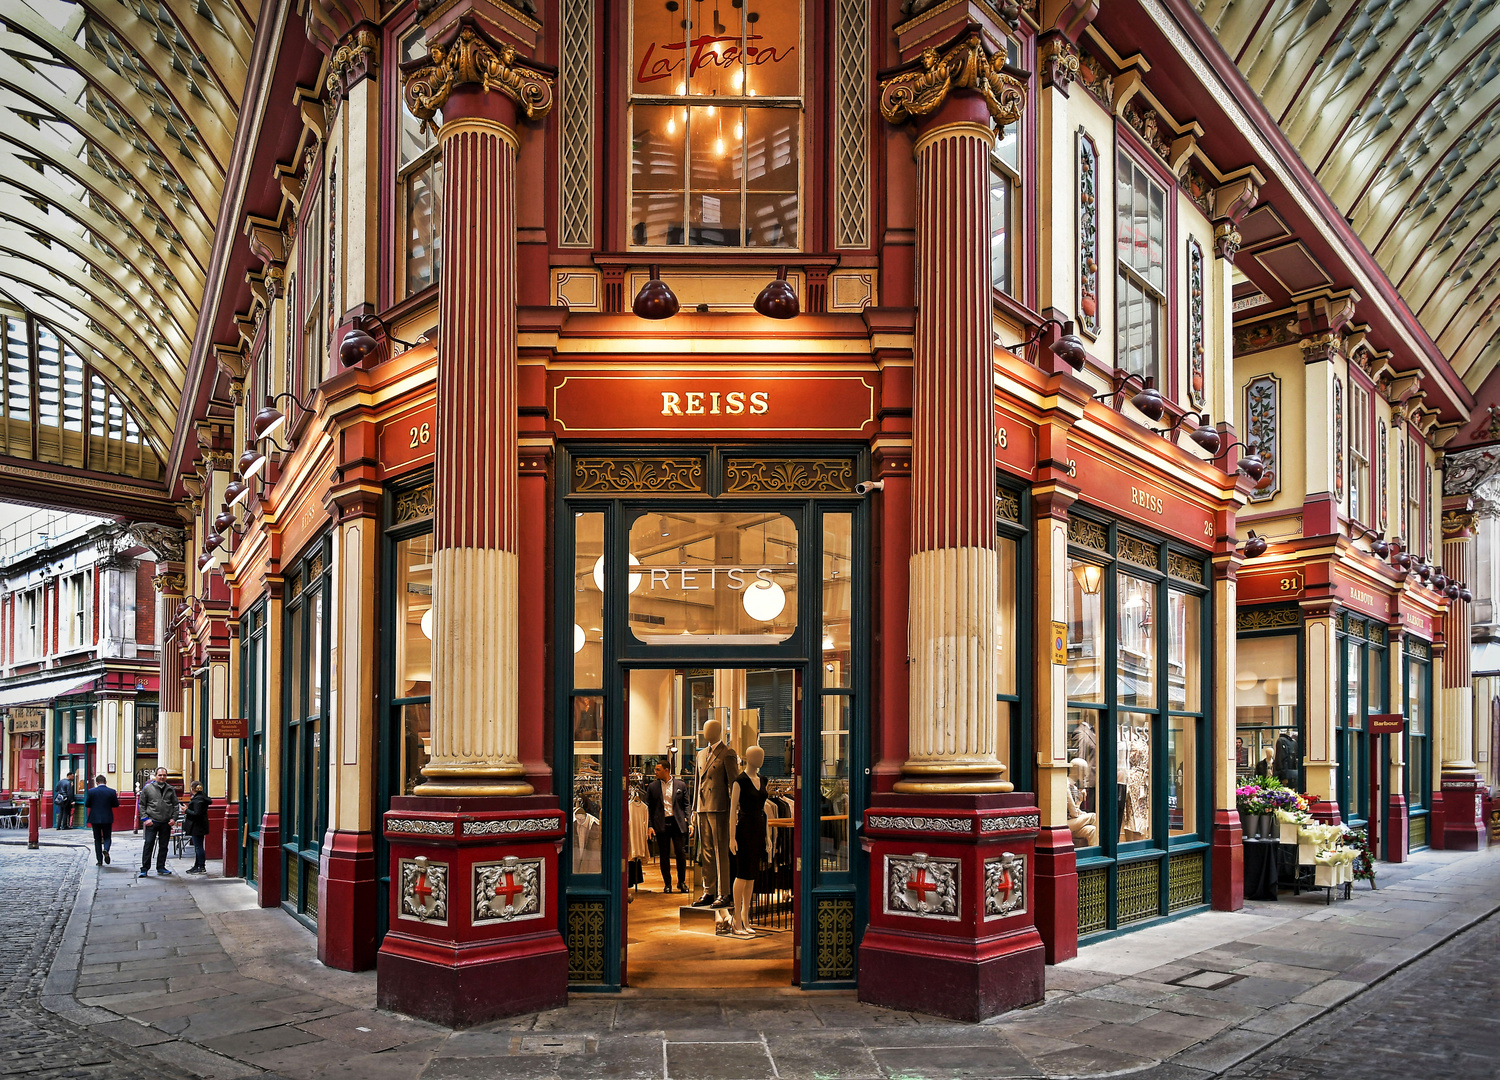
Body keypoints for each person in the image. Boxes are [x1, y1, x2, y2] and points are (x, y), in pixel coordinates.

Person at [645, 759, 689, 894]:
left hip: (677, 822)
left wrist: (689, 821)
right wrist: (650, 826)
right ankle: (667, 884)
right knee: (663, 855)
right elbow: (649, 808)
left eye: (658, 770)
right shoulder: (652, 787)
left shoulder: (680, 785)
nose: (655, 772)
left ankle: (681, 882)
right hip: (661, 823)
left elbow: (686, 804)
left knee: (680, 853)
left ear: (666, 770)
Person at [138, 767, 178, 877]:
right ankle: (144, 868)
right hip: (152, 821)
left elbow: (175, 805)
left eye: (164, 775)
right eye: (160, 775)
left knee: (164, 846)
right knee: (148, 845)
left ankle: (161, 866)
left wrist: (173, 818)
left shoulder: (170, 789)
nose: (162, 777)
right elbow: (142, 804)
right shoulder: (148, 789)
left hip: (166, 822)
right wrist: (145, 819)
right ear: (155, 776)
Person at [83, 774, 119, 866]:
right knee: (107, 837)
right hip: (107, 817)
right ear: (106, 782)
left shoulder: (91, 791)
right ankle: (106, 849)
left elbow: (87, 804)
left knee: (97, 839)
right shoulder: (111, 791)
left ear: (97, 783)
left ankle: (99, 860)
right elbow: (116, 804)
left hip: (95, 818)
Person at [183, 782, 210, 875]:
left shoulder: (198, 799)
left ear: (192, 789)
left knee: (198, 847)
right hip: (200, 825)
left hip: (197, 826)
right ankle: (197, 865)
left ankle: (201, 866)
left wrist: (186, 810)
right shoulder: (202, 797)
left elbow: (196, 813)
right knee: (198, 846)